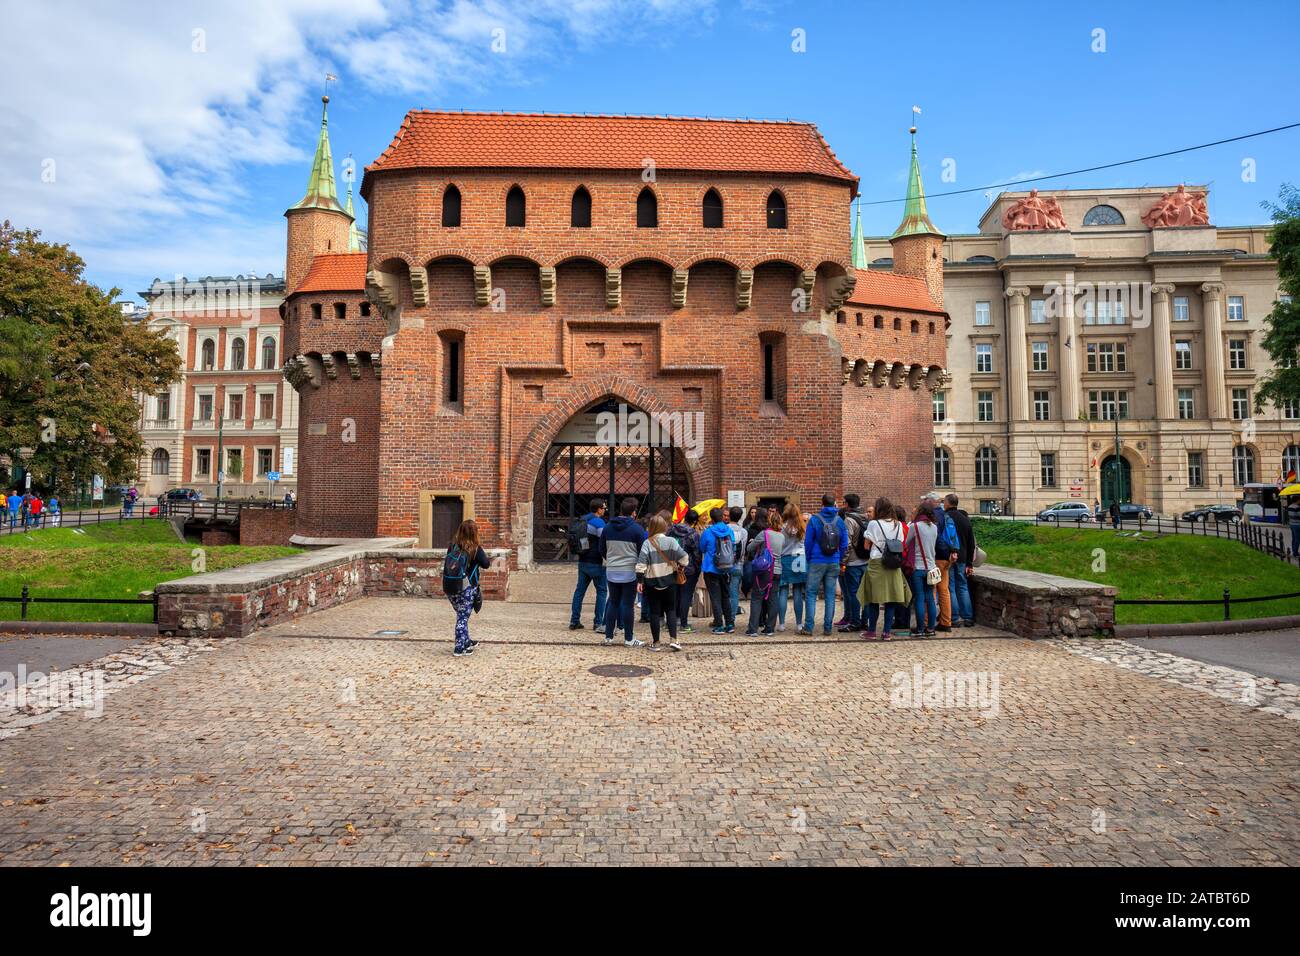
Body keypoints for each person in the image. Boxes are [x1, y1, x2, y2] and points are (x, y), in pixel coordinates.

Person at [635, 514, 690, 651]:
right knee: (670, 610)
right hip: (669, 580)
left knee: (654, 612)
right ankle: (674, 640)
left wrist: (640, 581)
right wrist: (681, 567)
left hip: (652, 582)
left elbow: (641, 564)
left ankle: (656, 643)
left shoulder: (647, 543)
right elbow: (684, 557)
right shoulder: (671, 541)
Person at [858, 497, 910, 641]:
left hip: (876, 563)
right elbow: (900, 543)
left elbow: (866, 546)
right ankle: (886, 632)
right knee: (891, 599)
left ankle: (872, 631)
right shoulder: (898, 524)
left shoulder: (874, 524)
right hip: (893, 564)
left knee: (874, 598)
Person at [600, 497, 648, 647]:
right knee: (627, 605)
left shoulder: (608, 527)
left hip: (612, 570)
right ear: (633, 512)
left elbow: (602, 549)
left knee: (613, 603)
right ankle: (629, 638)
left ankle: (608, 637)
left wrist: (612, 559)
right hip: (630, 572)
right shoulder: (637, 530)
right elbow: (642, 553)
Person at [443, 518, 492, 657]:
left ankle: (466, 641)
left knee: (462, 614)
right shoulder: (475, 549)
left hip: (450, 586)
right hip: (466, 587)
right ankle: (459, 647)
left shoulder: (452, 546)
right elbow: (486, 564)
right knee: (462, 617)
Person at [802, 494, 847, 636]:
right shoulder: (839, 521)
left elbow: (808, 542)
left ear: (822, 503)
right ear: (835, 503)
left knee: (810, 593)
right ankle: (827, 628)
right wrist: (839, 557)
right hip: (833, 560)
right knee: (830, 595)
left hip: (816, 560)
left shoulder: (814, 519)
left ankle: (808, 627)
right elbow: (844, 543)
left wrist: (809, 558)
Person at [568, 498, 608, 632]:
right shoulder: (599, 522)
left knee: (579, 591)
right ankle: (598, 623)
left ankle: (574, 621)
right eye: (603, 508)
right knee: (602, 592)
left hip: (583, 560)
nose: (604, 510)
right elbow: (604, 541)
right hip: (596, 562)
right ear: (598, 509)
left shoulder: (582, 519)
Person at [744, 510, 785, 635]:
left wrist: (753, 543)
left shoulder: (765, 533)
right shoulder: (782, 536)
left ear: (769, 521)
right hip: (777, 570)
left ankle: (752, 629)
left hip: (765, 570)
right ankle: (770, 628)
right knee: (773, 598)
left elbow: (749, 549)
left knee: (757, 598)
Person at [700, 507, 737, 633]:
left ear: (711, 518)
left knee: (715, 598)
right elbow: (734, 547)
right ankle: (730, 624)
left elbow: (702, 548)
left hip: (711, 568)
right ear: (722, 517)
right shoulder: (729, 530)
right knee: (725, 596)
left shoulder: (708, 532)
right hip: (726, 568)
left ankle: (719, 625)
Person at [908, 502, 940, 638]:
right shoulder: (935, 527)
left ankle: (920, 629)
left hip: (918, 568)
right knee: (930, 599)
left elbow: (906, 542)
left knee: (919, 599)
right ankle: (931, 628)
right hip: (931, 568)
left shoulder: (915, 526)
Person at [839, 493, 870, 633]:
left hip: (853, 562)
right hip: (866, 560)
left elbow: (847, 544)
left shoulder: (849, 520)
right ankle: (865, 621)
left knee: (853, 594)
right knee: (866, 593)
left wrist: (843, 562)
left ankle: (855, 622)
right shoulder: (867, 518)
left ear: (847, 504)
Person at [667, 508, 702, 632]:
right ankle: (684, 624)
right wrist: (698, 567)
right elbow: (697, 553)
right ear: (695, 521)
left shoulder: (672, 530)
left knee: (674, 594)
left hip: (672, 566)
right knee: (686, 596)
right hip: (688, 568)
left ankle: (671, 622)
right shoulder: (693, 534)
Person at [944, 494, 976, 627]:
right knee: (962, 586)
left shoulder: (946, 518)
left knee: (951, 587)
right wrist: (969, 563)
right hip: (963, 557)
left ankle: (954, 618)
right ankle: (968, 617)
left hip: (950, 556)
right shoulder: (965, 519)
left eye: (944, 502)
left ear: (948, 503)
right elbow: (971, 543)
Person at [928, 493, 958, 632]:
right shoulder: (946, 516)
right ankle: (946, 622)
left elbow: (936, 538)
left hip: (937, 557)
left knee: (932, 589)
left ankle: (928, 622)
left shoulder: (934, 517)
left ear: (931, 501)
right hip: (947, 558)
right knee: (944, 590)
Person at [776, 503, 807, 632]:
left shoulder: (781, 527)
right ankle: (799, 623)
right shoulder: (802, 527)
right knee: (798, 592)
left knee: (782, 590)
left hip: (785, 558)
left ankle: (782, 624)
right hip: (800, 558)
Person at [726, 506, 749, 621]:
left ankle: (723, 618)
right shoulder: (744, 532)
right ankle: (732, 619)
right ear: (740, 518)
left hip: (723, 565)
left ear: (729, 515)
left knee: (724, 593)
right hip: (738, 564)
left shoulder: (724, 529)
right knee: (734, 592)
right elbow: (744, 550)